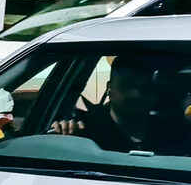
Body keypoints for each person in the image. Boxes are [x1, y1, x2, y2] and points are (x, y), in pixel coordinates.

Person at [50, 54, 191, 155]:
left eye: (145, 88)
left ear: (155, 93)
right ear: (109, 89)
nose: (136, 94)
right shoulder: (84, 132)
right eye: (127, 85)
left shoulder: (174, 131)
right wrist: (63, 133)